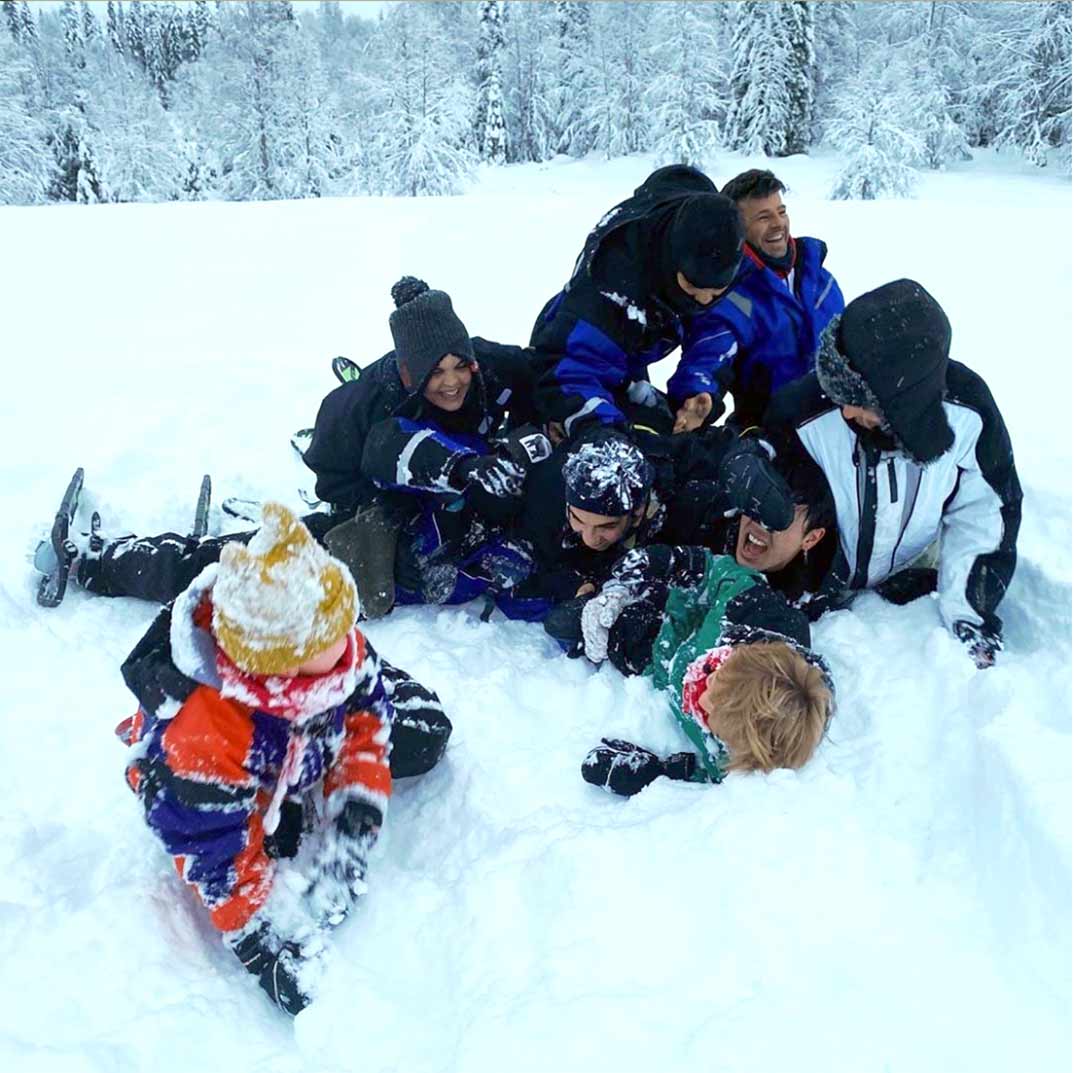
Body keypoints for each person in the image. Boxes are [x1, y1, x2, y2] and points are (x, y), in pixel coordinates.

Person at [115, 504, 452, 1017]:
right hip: (218, 774)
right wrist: (259, 933)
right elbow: (213, 851)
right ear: (279, 664)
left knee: (421, 733)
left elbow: (364, 720)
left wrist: (357, 807)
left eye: (345, 629)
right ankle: (273, 801)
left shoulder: (338, 650)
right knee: (263, 837)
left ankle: (291, 786)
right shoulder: (205, 729)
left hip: (297, 728)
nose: (351, 642)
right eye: (331, 641)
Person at [71, 277, 551, 620]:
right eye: (435, 373)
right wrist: (382, 510)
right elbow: (360, 459)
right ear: (410, 373)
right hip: (366, 492)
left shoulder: (488, 367)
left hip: (442, 501)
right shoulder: (365, 406)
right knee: (257, 568)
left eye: (458, 366)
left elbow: (546, 377)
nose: (451, 383)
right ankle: (104, 565)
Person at [760, 278, 1022, 667]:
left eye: (858, 401)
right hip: (821, 584)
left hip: (914, 573)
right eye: (839, 396)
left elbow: (985, 512)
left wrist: (968, 609)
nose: (845, 411)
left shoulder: (968, 413)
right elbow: (769, 487)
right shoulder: (802, 411)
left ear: (904, 402)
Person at [533, 427, 836, 653]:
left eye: (778, 521)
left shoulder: (811, 590)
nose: (759, 526)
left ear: (811, 538)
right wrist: (584, 590)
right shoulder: (702, 512)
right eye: (758, 510)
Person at [577, 547, 834, 797]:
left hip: (659, 662)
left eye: (710, 718)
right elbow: (722, 574)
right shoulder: (750, 612)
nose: (699, 700)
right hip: (678, 608)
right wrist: (679, 564)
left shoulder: (740, 750)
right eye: (715, 676)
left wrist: (657, 773)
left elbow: (712, 771)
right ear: (739, 654)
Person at [530, 165, 744, 440]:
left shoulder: (722, 247)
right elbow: (570, 370)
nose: (703, 301)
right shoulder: (611, 281)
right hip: (572, 340)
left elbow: (716, 330)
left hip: (641, 337)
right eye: (692, 288)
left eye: (717, 292)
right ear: (671, 261)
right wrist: (599, 431)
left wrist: (698, 390)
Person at [686, 168, 845, 430]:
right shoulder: (729, 295)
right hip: (773, 435)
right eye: (763, 217)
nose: (778, 224)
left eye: (781, 212)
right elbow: (706, 359)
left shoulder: (820, 279)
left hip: (839, 426)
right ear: (736, 228)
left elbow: (851, 346)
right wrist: (696, 396)